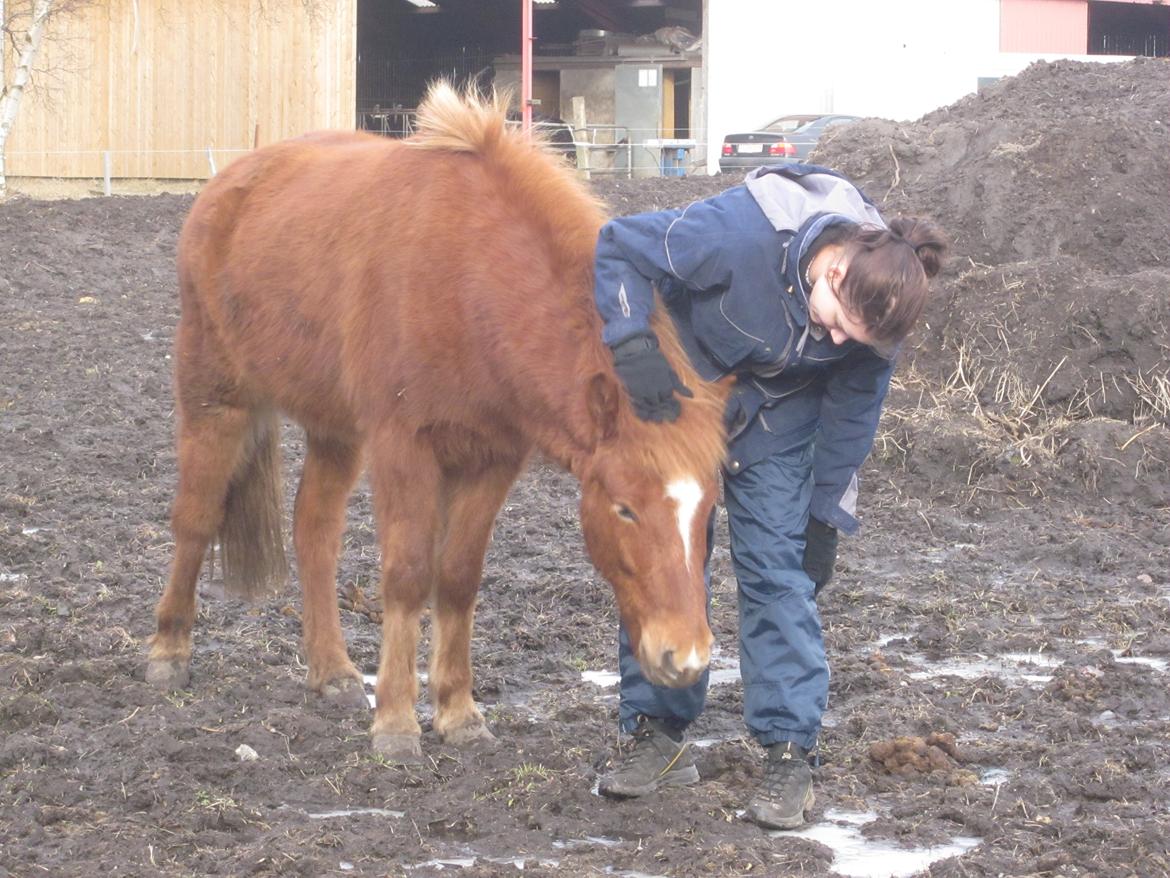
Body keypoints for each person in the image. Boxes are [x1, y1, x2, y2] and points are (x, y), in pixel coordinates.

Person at [591, 162, 946, 829]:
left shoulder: (877, 314)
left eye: (852, 341)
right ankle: (658, 732)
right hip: (685, 396)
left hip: (779, 423)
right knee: (671, 561)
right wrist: (632, 340)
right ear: (831, 269)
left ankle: (789, 754)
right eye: (838, 325)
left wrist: (826, 515)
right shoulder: (737, 233)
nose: (837, 341)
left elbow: (850, 420)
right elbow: (621, 246)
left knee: (778, 577)